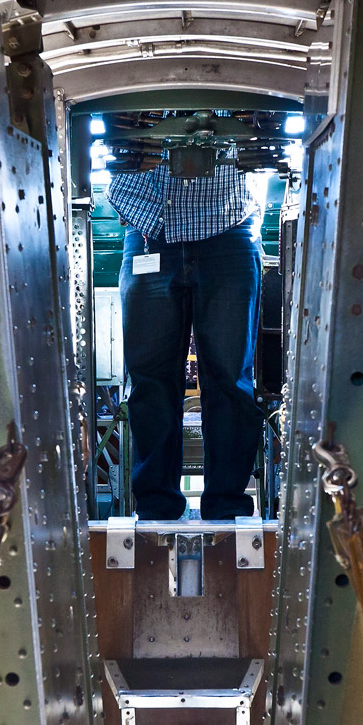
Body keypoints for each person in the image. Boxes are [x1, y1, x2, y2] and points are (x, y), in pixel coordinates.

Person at [108, 148, 264, 522]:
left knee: (230, 379)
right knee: (149, 380)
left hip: (227, 225)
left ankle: (226, 506)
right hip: (148, 228)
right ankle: (155, 507)